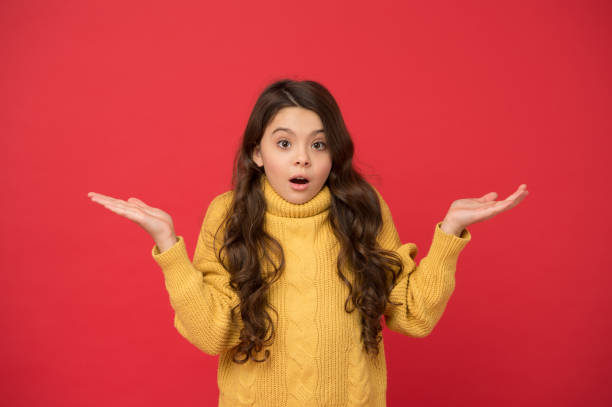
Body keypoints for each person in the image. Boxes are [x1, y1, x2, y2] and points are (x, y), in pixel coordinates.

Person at [87, 78, 528, 406]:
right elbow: (211, 333)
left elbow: (414, 315)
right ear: (258, 154)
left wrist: (449, 233)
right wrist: (169, 248)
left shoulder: (362, 208)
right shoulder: (229, 214)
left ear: (333, 154)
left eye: (318, 144)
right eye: (284, 143)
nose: (302, 157)